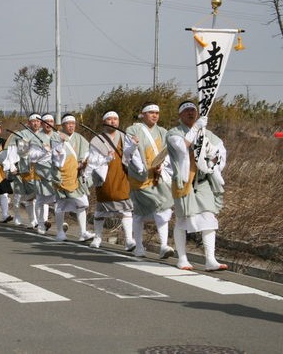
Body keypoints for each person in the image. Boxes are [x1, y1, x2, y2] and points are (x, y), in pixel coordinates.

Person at [167, 101, 228, 271]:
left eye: (193, 110)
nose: (190, 113)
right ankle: (182, 258)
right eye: (186, 110)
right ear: (180, 114)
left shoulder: (207, 133)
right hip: (184, 182)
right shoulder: (173, 133)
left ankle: (210, 259)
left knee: (209, 218)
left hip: (203, 182)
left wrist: (212, 163)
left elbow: (220, 151)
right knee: (182, 219)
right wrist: (195, 130)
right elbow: (181, 148)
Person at [124, 102, 175, 259]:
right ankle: (140, 246)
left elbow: (167, 153)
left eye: (157, 113)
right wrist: (133, 146)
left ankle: (163, 245)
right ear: (143, 114)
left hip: (157, 177)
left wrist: (162, 165)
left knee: (163, 207)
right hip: (140, 179)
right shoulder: (133, 130)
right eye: (151, 112)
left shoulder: (163, 132)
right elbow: (127, 154)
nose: (154, 115)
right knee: (151, 209)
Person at [85, 111, 135, 250]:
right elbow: (93, 161)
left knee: (126, 208)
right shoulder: (97, 140)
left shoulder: (125, 137)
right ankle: (98, 237)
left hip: (122, 175)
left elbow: (132, 155)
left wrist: (135, 145)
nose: (113, 121)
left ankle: (129, 240)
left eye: (115, 119)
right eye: (110, 119)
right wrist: (105, 158)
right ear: (104, 121)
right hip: (104, 177)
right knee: (101, 209)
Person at [55, 113, 94, 242]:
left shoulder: (80, 139)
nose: (71, 126)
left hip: (77, 176)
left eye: (73, 123)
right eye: (68, 123)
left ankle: (83, 232)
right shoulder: (56, 137)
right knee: (61, 203)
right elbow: (55, 156)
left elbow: (87, 153)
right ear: (63, 125)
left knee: (82, 204)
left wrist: (83, 163)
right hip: (63, 175)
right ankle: (60, 231)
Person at [6, 113, 41, 228]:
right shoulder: (22, 135)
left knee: (37, 195)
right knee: (21, 195)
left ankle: (37, 221)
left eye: (38, 121)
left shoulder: (44, 134)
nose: (36, 123)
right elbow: (21, 152)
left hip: (39, 170)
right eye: (33, 121)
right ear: (29, 122)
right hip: (23, 169)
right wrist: (12, 165)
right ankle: (22, 217)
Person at [30, 114, 62, 235]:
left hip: (55, 172)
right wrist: (43, 151)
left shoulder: (57, 136)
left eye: (51, 121)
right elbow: (32, 157)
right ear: (42, 124)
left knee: (58, 200)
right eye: (46, 121)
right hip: (41, 172)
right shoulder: (36, 137)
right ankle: (41, 223)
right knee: (40, 199)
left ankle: (59, 226)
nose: (49, 124)